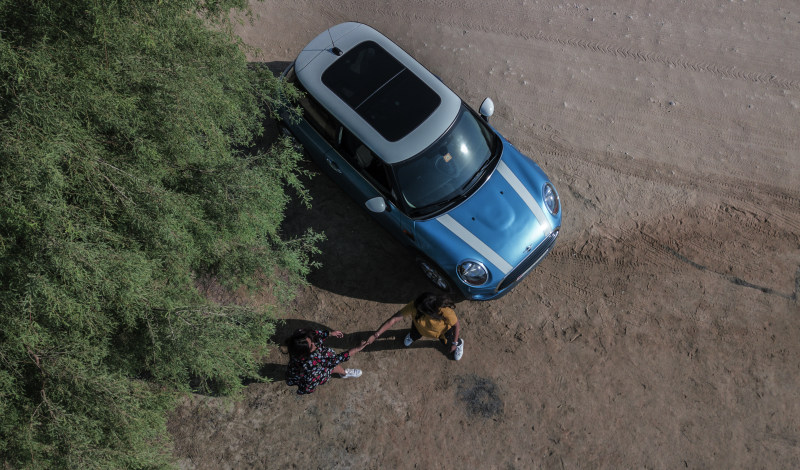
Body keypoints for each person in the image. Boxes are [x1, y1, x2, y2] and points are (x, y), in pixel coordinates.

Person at [362, 292, 464, 360]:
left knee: (448, 344)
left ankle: (459, 343)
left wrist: (454, 343)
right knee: (414, 334)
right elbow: (393, 319)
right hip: (418, 328)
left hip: (442, 333)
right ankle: (412, 336)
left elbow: (456, 325)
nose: (416, 309)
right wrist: (376, 335)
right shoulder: (415, 305)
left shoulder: (444, 310)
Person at [285, 329, 365, 395]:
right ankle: (345, 373)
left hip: (297, 372)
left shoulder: (297, 346)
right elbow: (336, 359)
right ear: (304, 353)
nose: (314, 344)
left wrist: (329, 333)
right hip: (314, 373)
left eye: (311, 340)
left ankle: (344, 373)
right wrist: (357, 349)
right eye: (311, 346)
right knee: (332, 367)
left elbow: (313, 333)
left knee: (329, 366)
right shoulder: (312, 364)